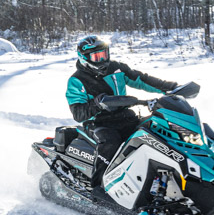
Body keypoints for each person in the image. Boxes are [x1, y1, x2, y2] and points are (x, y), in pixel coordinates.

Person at [65, 35, 180, 185]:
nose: (102, 60)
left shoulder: (116, 68)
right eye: (96, 57)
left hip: (126, 117)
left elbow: (141, 79)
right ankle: (99, 187)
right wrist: (97, 104)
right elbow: (78, 113)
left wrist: (170, 88)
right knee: (111, 143)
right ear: (84, 58)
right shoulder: (77, 80)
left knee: (156, 130)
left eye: (104, 54)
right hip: (99, 123)